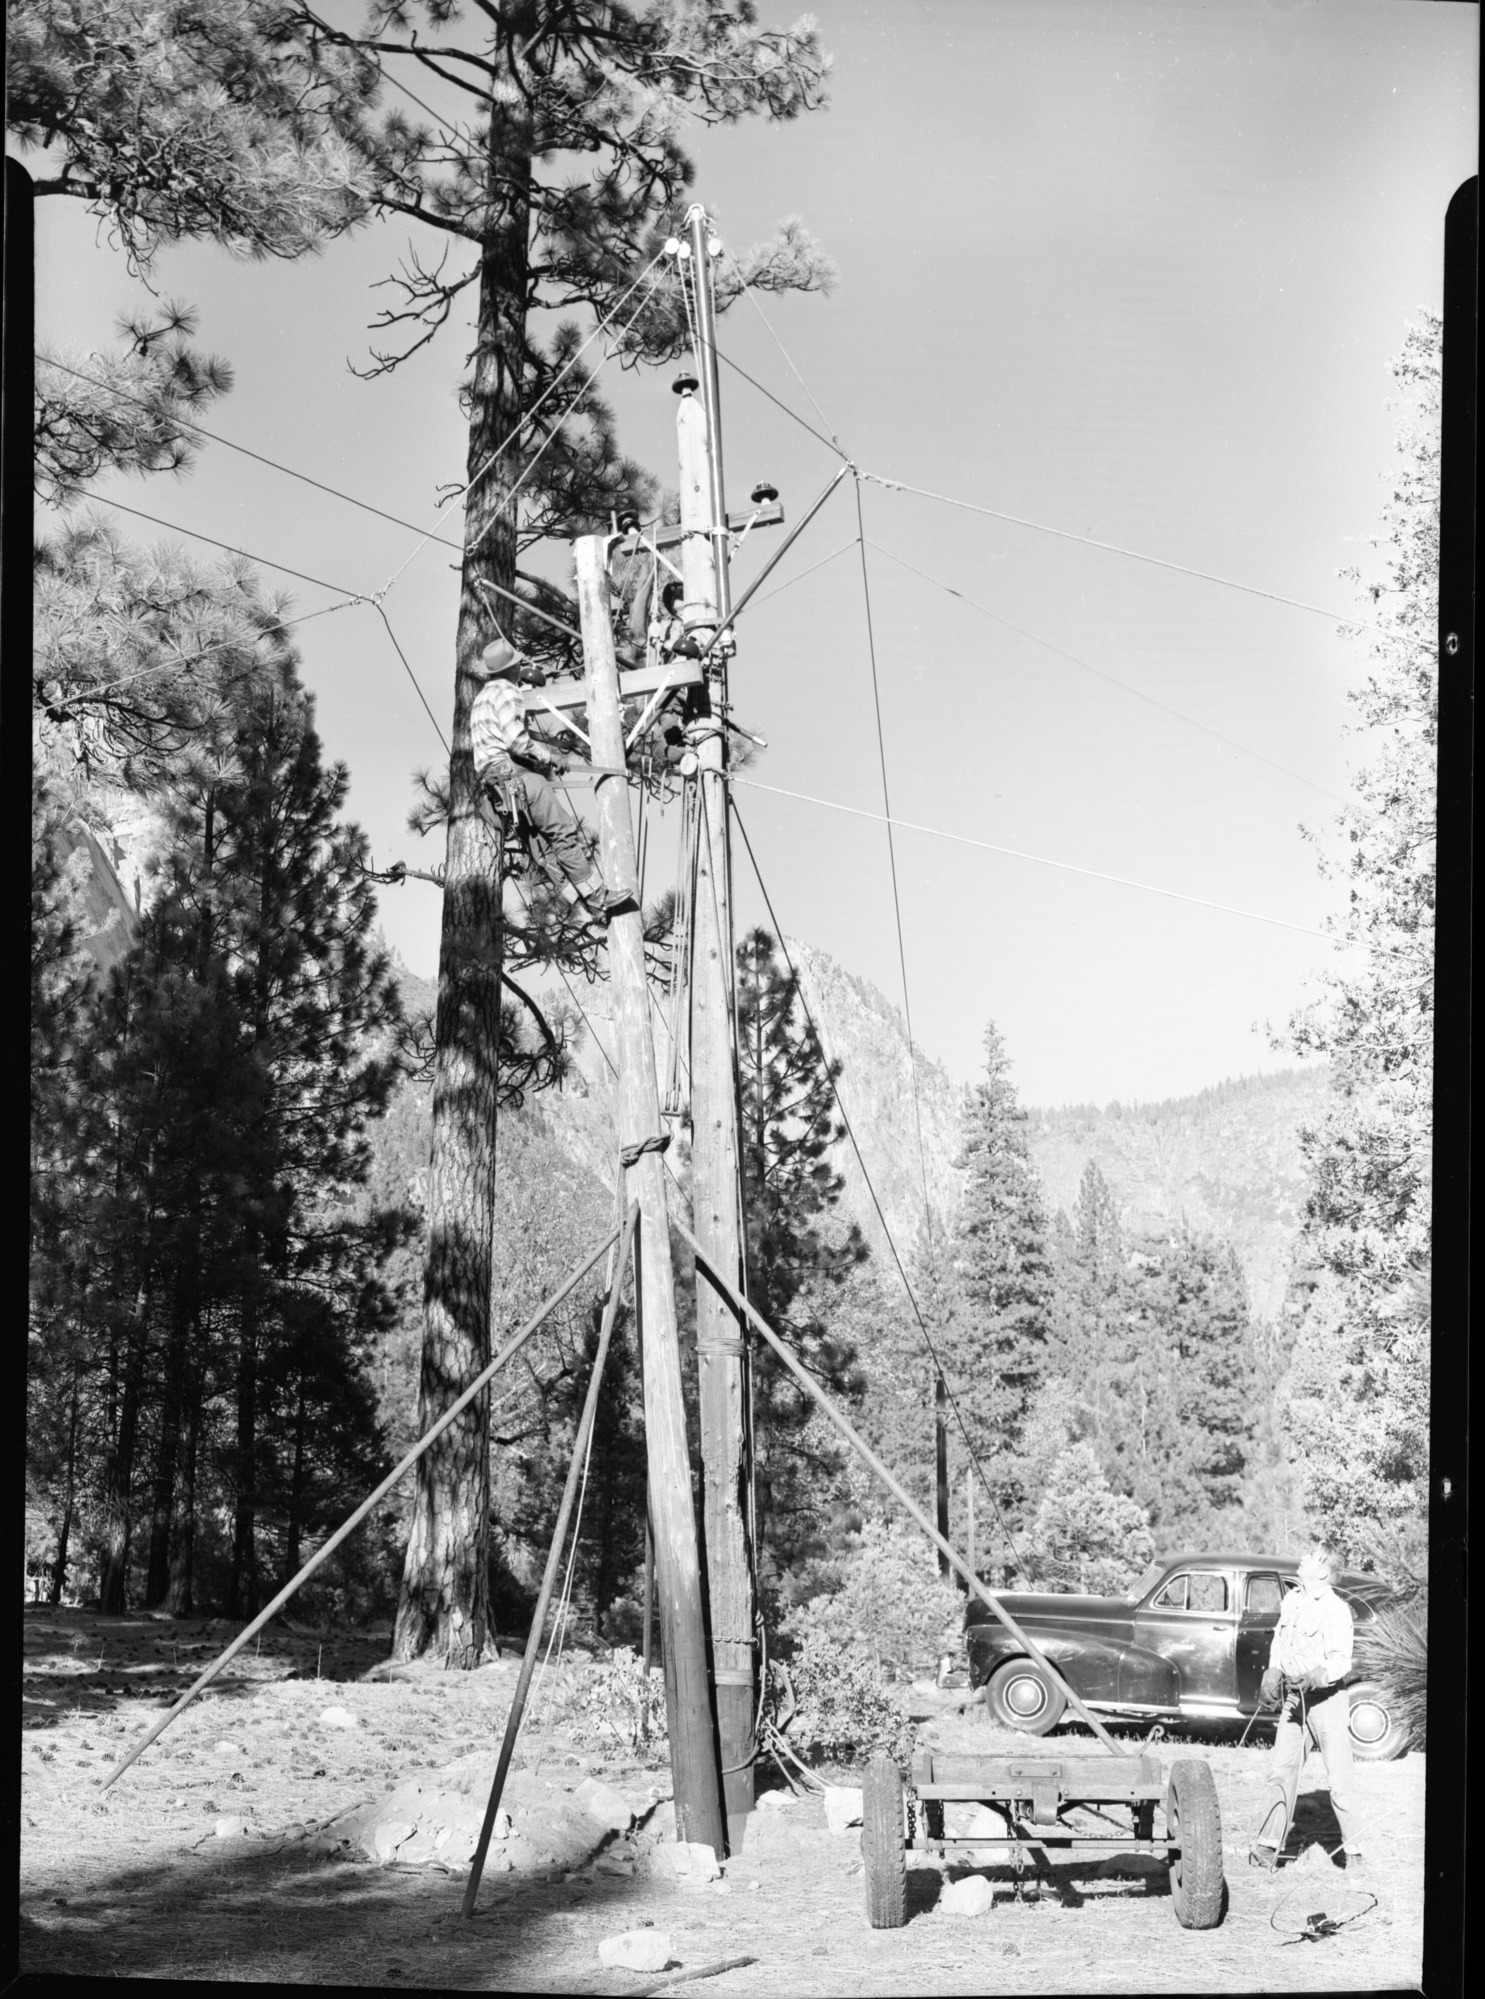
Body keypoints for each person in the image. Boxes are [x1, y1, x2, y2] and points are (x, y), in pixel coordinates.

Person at [469, 639, 622, 918]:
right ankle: (597, 895)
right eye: (517, 665)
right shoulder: (507, 691)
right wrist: (551, 757)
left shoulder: (481, 699)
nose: (519, 670)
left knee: (541, 848)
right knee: (562, 831)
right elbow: (516, 741)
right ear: (510, 669)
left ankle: (586, 905)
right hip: (517, 778)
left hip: (496, 788)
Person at [1249, 1548, 1364, 1872]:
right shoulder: (1292, 1599)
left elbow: (1341, 1660)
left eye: (1312, 1556)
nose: (1303, 1557)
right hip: (1294, 1700)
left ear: (1324, 1573)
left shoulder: (1336, 1610)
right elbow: (1278, 1642)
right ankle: (1268, 1849)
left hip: (1327, 1701)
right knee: (1280, 1772)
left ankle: (1354, 1854)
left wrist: (1315, 1676)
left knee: (1339, 1782)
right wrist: (1272, 1672)